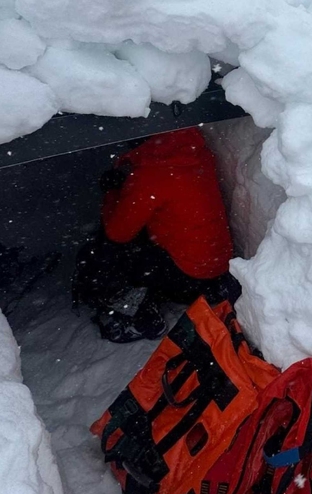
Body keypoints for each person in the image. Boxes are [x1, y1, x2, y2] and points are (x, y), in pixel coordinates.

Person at [73, 127, 239, 343]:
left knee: (104, 250)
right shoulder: (194, 153)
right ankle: (205, 290)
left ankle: (140, 315)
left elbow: (117, 233)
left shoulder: (150, 174)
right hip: (216, 268)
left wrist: (112, 192)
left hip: (187, 277)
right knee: (146, 225)